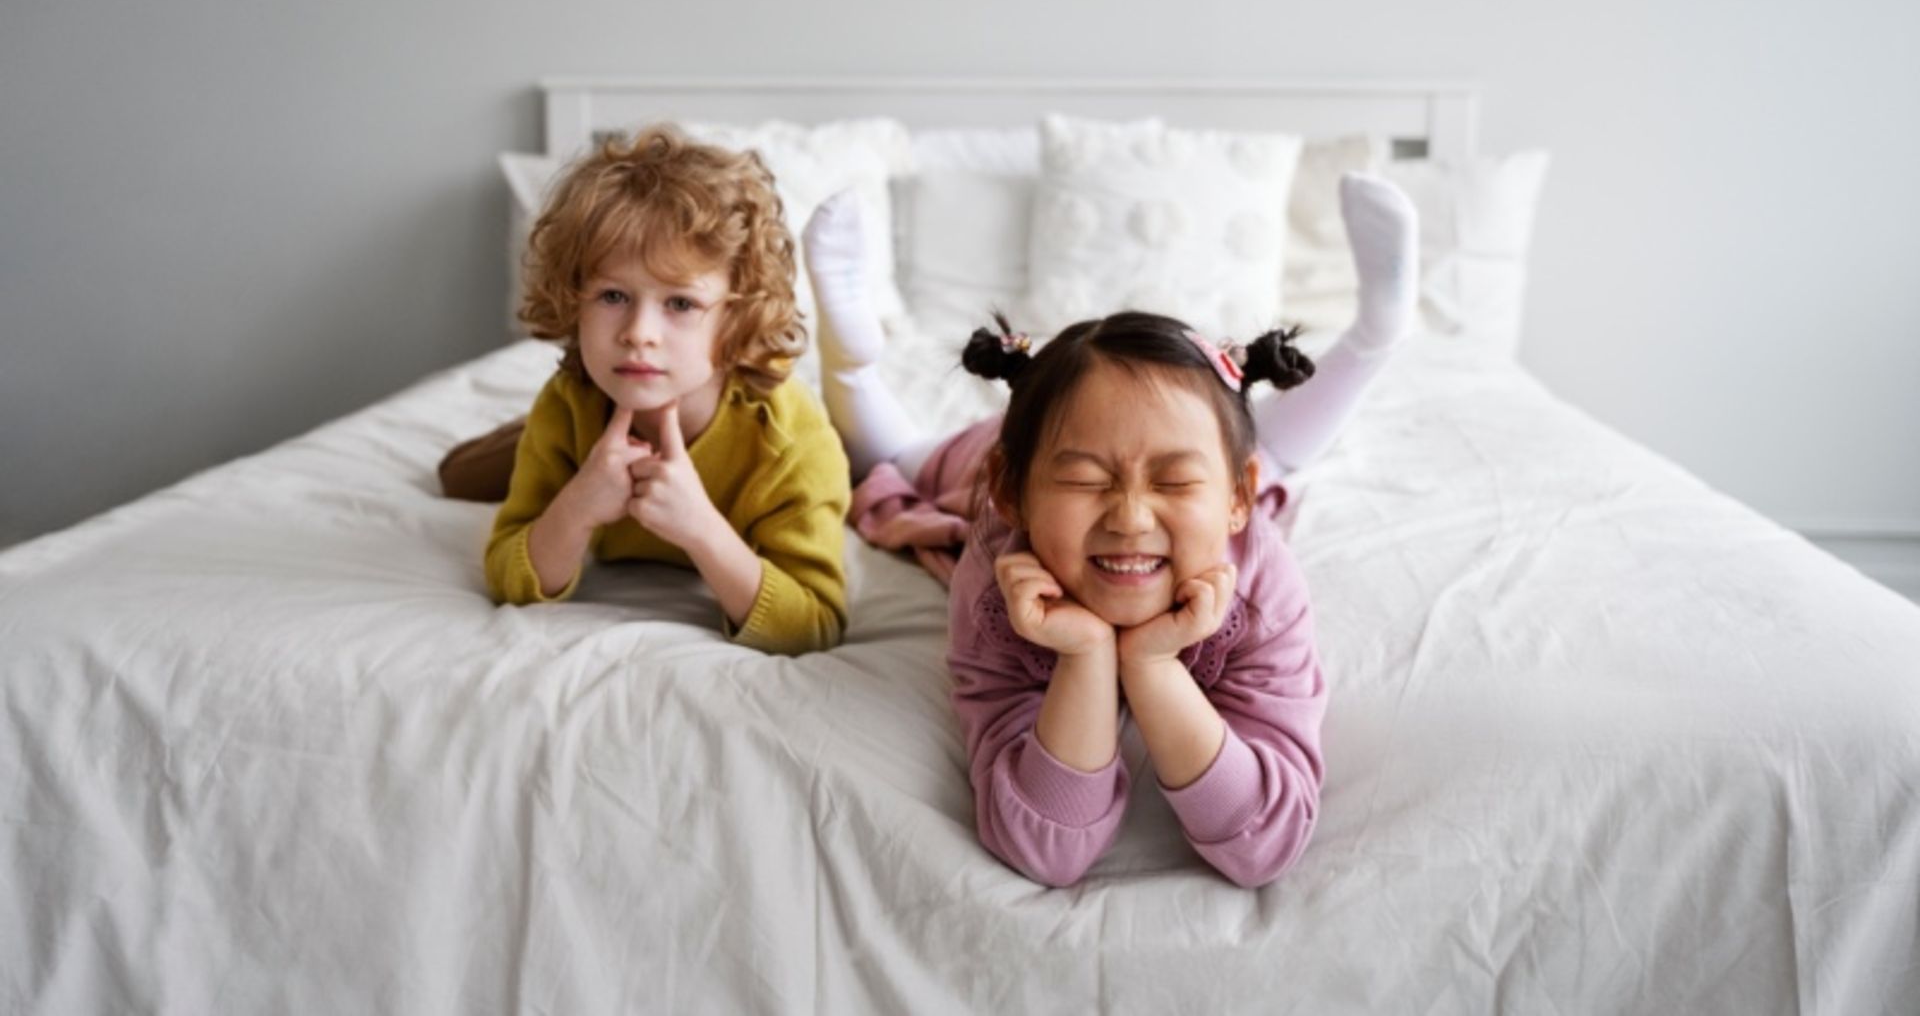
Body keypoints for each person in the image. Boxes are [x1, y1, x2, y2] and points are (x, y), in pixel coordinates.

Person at [802, 173, 1419, 885]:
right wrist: (1088, 654)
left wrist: (1155, 668)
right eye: (1086, 480)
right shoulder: (997, 563)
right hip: (993, 454)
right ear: (1016, 495)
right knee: (900, 457)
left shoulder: (1257, 579)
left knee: (1265, 452)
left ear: (1237, 504)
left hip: (1178, 476)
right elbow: (1046, 849)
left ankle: (1377, 334)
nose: (1128, 518)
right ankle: (852, 359)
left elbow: (1263, 845)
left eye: (1173, 482)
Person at [455, 124, 851, 655]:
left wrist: (701, 528)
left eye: (681, 304)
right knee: (456, 474)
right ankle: (511, 443)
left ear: (735, 317)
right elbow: (508, 577)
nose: (638, 333)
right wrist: (578, 504)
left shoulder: (790, 439)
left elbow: (814, 624)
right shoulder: (568, 402)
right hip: (575, 433)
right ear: (575, 298)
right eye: (613, 295)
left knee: (867, 468)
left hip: (760, 445)